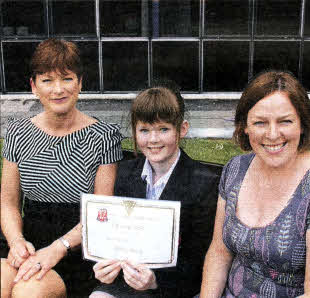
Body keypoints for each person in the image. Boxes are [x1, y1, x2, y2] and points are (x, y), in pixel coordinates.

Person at [0, 38, 123, 298]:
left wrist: (58, 248)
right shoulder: (17, 133)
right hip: (28, 241)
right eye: (47, 80)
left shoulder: (104, 137)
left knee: (28, 292)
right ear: (34, 86)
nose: (58, 90)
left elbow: (102, 213)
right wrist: (16, 242)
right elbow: (9, 203)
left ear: (80, 83)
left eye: (66, 79)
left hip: (75, 249)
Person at [90, 82, 220, 298]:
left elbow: (199, 261)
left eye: (163, 129)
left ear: (182, 129)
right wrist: (102, 267)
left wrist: (154, 281)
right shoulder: (123, 173)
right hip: (123, 283)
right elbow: (109, 238)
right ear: (134, 132)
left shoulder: (203, 184)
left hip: (171, 289)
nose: (153, 139)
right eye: (144, 130)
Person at [200, 70, 310, 297]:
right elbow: (219, 253)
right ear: (245, 126)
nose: (272, 134)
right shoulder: (235, 169)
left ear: (302, 125)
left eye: (285, 121)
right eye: (260, 122)